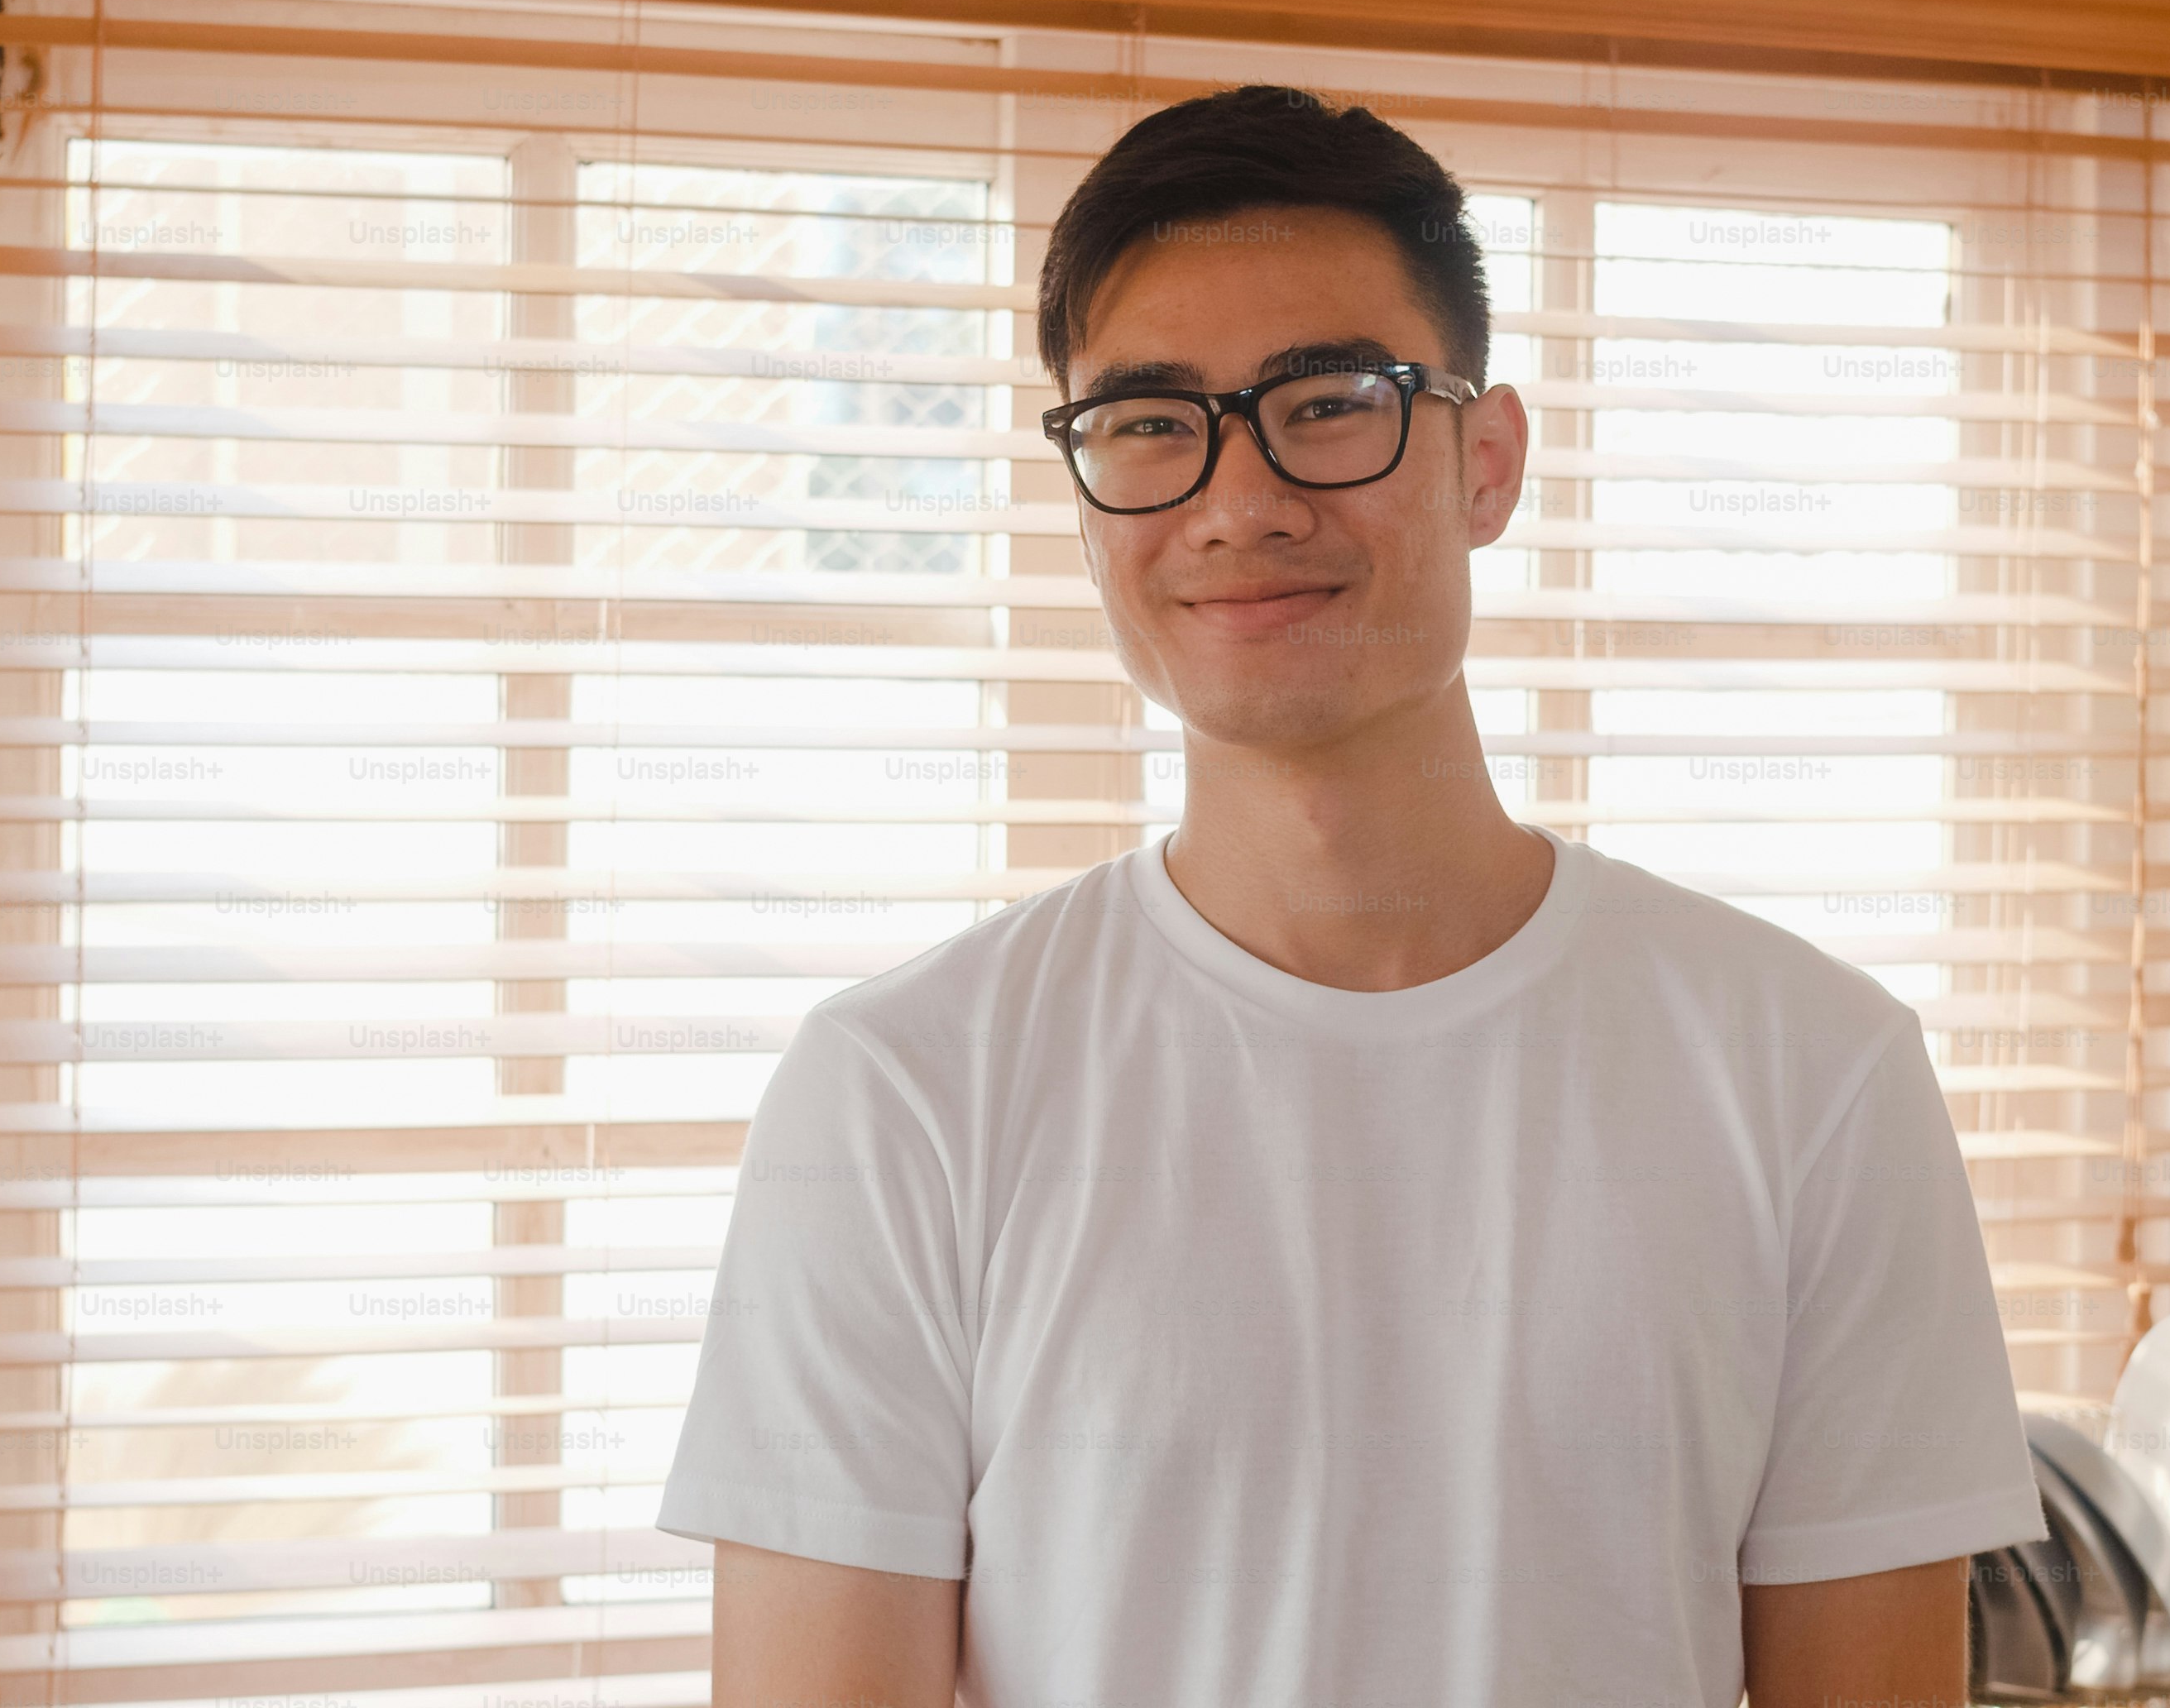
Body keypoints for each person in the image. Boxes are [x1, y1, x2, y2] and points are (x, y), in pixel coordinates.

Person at [659, 84, 2043, 1708]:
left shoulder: (1812, 1072)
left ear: (1489, 462)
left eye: (1326, 402)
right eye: (1152, 424)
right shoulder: (903, 1091)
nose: (1237, 503)